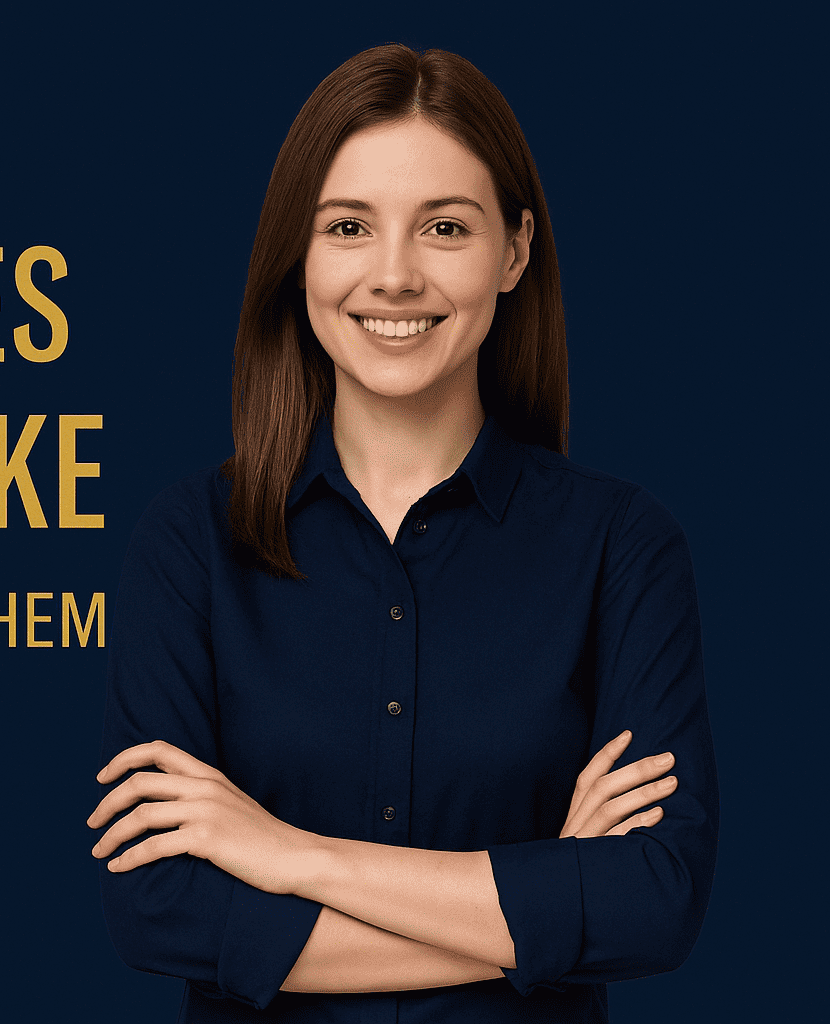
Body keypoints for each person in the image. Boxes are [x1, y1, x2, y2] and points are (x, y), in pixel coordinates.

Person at [86, 44, 718, 1023]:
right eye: (348, 226)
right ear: (300, 256)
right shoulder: (188, 544)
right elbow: (159, 908)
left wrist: (286, 855)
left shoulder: (623, 546)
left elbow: (652, 902)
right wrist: (541, 899)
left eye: (445, 228)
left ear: (514, 252)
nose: (393, 276)